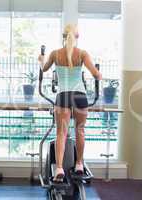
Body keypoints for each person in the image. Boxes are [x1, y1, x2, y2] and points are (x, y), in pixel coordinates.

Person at [39, 24, 102, 182]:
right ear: (77, 37)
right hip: (80, 95)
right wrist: (98, 73)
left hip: (63, 95)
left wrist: (41, 60)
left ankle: (59, 168)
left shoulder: (55, 54)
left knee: (61, 133)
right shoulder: (82, 54)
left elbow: (44, 69)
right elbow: (96, 75)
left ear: (63, 36)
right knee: (80, 130)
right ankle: (79, 164)